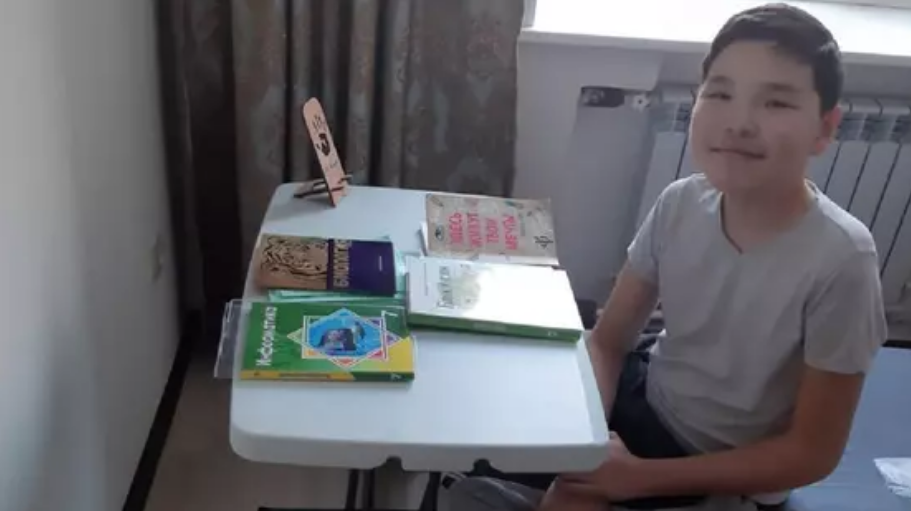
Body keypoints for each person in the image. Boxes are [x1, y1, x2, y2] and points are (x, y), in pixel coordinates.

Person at [448, 3, 887, 510]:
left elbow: (812, 453)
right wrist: (587, 437)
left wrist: (637, 478)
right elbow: (609, 341)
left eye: (776, 103)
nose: (739, 122)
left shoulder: (842, 260)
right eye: (720, 93)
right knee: (479, 430)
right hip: (647, 397)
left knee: (569, 498)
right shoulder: (682, 203)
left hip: (723, 467)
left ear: (825, 129)